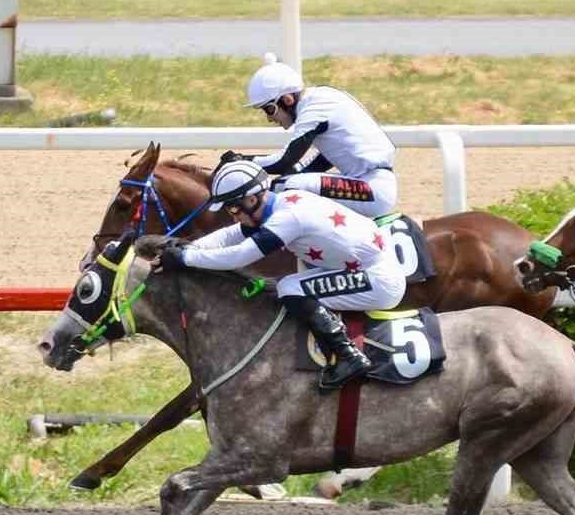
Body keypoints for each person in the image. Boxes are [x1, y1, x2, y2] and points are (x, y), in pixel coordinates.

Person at [159, 158, 406, 389]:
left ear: (252, 200)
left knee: (290, 287)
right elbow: (232, 235)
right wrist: (190, 247)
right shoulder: (281, 202)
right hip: (363, 266)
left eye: (233, 209)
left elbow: (239, 256)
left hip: (377, 279)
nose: (233, 215)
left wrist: (185, 259)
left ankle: (348, 356)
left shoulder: (287, 218)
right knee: (288, 284)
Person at [218, 53, 399, 218]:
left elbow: (283, 161)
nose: (269, 118)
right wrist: (295, 171)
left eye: (269, 109)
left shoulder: (314, 109)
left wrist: (242, 161)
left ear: (287, 99)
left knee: (281, 186)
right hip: (371, 185)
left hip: (371, 189)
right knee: (287, 181)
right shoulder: (320, 98)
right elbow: (324, 160)